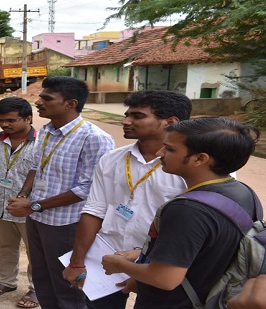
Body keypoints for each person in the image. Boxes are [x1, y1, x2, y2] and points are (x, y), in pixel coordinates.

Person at [101, 117, 262, 308]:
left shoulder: (186, 210)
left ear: (200, 159)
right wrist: (142, 255)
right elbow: (206, 249)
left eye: (170, 149)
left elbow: (164, 278)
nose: (160, 153)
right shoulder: (243, 192)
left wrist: (117, 264)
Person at [62, 91, 192, 308]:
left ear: (170, 123)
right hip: (107, 259)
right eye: (127, 114)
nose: (125, 121)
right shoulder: (112, 159)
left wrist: (144, 266)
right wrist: (77, 261)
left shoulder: (193, 167)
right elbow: (94, 210)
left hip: (164, 264)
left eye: (138, 116)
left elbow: (190, 229)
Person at [6, 76, 115, 309]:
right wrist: (25, 195)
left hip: (67, 224)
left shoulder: (94, 138)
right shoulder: (46, 131)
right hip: (37, 218)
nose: (38, 102)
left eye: (47, 98)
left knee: (67, 286)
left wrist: (34, 205)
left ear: (70, 104)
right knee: (43, 279)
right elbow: (37, 167)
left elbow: (87, 188)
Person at [0, 97, 40, 308]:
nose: (5, 125)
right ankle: (6, 282)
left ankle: (37, 289)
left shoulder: (42, 142)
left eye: (11, 120)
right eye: (1, 120)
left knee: (35, 251)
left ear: (28, 118)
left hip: (28, 210)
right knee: (5, 246)